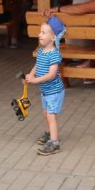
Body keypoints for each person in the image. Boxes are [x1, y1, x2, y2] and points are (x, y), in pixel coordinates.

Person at [25, 16, 66, 156]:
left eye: (43, 32)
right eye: (40, 32)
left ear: (53, 37)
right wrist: (30, 76)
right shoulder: (41, 51)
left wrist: (36, 80)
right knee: (45, 114)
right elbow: (37, 66)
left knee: (51, 115)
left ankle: (54, 143)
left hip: (54, 92)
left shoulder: (54, 54)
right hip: (45, 91)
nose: (39, 35)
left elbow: (52, 74)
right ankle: (50, 134)